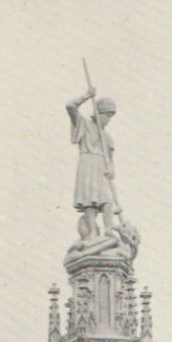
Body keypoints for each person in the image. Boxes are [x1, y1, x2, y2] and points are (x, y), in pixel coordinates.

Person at [66, 87, 117, 242]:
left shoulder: (108, 138)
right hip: (87, 162)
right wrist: (86, 96)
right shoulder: (85, 124)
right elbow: (70, 107)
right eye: (106, 115)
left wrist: (111, 170)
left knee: (107, 200)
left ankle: (109, 229)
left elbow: (111, 160)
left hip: (101, 167)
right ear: (98, 113)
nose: (107, 120)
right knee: (89, 200)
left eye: (110, 117)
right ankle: (92, 233)